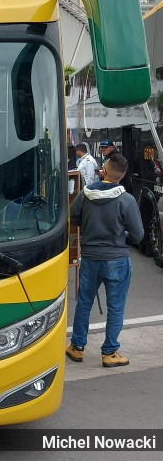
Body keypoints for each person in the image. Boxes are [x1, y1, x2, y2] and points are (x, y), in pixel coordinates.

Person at [66, 152, 144, 368]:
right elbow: (138, 235)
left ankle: (77, 347)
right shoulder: (126, 200)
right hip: (117, 259)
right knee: (116, 307)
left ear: (105, 171)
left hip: (90, 258)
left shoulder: (84, 194)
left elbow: (74, 217)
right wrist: (121, 236)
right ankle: (109, 353)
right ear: (122, 175)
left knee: (84, 303)